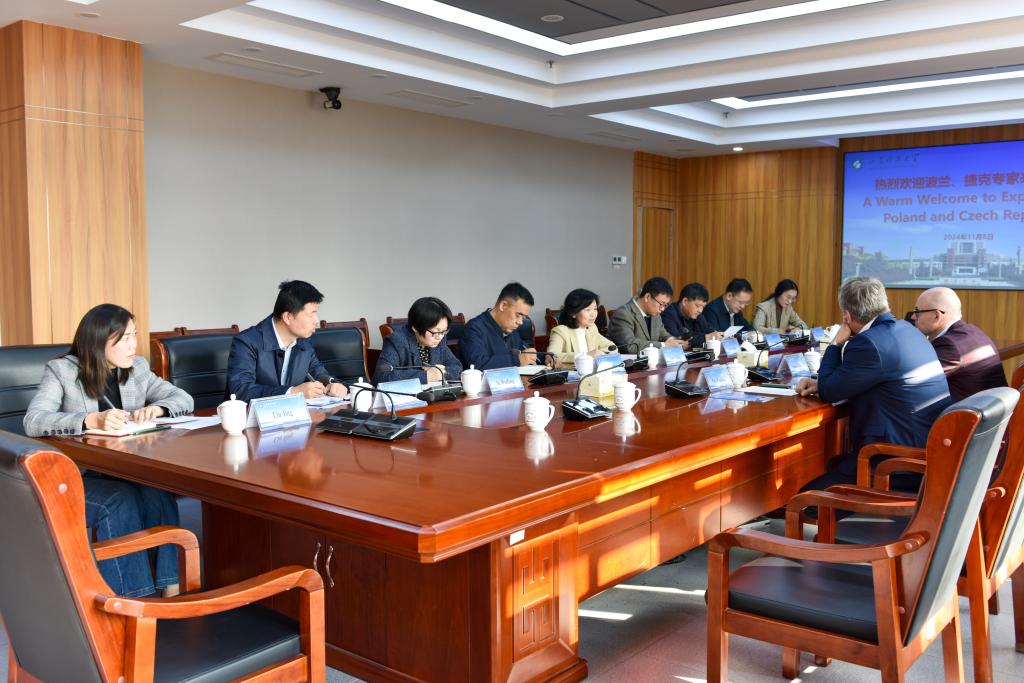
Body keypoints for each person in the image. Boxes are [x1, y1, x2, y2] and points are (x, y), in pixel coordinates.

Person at [23, 303, 193, 597]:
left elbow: (183, 398)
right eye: (125, 338)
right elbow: (33, 420)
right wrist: (89, 420)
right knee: (120, 500)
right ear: (99, 341)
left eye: (134, 335)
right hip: (77, 476)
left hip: (122, 469)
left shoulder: (137, 367)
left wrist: (157, 408)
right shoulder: (62, 371)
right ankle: (132, 599)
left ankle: (172, 588)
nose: (133, 345)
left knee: (158, 491)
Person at [796, 277, 950, 488]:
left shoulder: (868, 342)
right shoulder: (908, 330)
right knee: (833, 465)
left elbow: (830, 391)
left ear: (847, 316)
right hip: (924, 452)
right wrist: (821, 383)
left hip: (894, 463)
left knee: (803, 499)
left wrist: (835, 344)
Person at [227, 280, 348, 402]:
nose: (316, 320)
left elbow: (318, 373)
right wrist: (293, 392)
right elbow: (241, 391)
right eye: (311, 314)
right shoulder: (246, 342)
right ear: (287, 317)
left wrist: (333, 384)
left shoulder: (303, 342)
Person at [911, 287, 1006, 403]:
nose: (913, 317)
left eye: (917, 312)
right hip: (992, 408)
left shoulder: (949, 344)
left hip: (969, 412)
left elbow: (914, 381)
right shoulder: (973, 332)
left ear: (936, 316)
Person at [374, 296, 464, 383]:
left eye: (443, 331)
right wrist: (426, 376)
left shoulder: (439, 339)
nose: (439, 337)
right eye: (435, 332)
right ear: (416, 328)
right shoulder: (396, 341)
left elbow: (457, 368)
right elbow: (382, 376)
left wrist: (438, 373)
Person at [461, 282, 544, 370]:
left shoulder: (511, 331)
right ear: (503, 305)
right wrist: (516, 360)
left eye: (523, 318)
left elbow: (525, 352)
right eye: (517, 315)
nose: (520, 322)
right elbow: (476, 364)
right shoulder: (474, 328)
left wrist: (545, 358)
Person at [607, 277, 684, 352]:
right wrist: (664, 345)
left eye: (665, 305)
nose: (662, 309)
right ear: (647, 297)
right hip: (628, 360)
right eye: (661, 304)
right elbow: (630, 345)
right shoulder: (623, 314)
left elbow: (662, 334)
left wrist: (672, 340)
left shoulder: (655, 314)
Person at [546, 289, 617, 365]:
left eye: (595, 309)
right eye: (588, 310)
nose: (593, 314)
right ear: (573, 313)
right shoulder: (561, 331)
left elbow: (612, 347)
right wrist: (585, 355)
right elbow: (552, 355)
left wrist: (601, 353)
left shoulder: (591, 328)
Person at [660, 282, 722, 349]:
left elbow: (709, 330)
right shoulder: (668, 314)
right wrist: (705, 337)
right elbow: (677, 340)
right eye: (697, 306)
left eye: (703, 307)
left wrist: (719, 335)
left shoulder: (698, 315)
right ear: (685, 301)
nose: (700, 310)